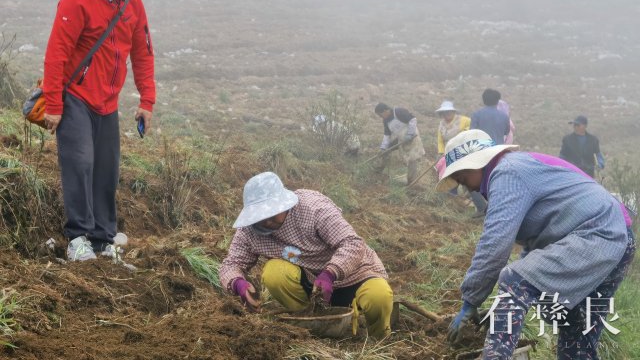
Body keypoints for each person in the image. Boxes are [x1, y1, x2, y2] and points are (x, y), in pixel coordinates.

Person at [437, 129, 634, 359]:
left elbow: (494, 247)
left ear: (476, 164)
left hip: (597, 234)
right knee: (576, 339)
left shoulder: (506, 173)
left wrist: (471, 301)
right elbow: (537, 251)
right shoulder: (518, 169)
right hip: (618, 240)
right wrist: (505, 307)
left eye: (463, 178)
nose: (467, 188)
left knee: (513, 278)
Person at [42, 0, 155, 261]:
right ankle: (78, 238)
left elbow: (143, 53)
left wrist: (146, 101)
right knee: (80, 164)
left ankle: (104, 240)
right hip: (75, 97)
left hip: (108, 102)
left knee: (107, 169)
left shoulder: (132, 3)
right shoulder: (76, 0)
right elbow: (56, 55)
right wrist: (53, 105)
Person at [219, 172, 393, 338]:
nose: (266, 220)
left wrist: (330, 273)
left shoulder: (313, 208)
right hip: (310, 282)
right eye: (260, 215)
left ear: (284, 203)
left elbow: (352, 243)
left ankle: (378, 337)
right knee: (273, 272)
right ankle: (310, 321)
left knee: (380, 296)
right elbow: (231, 264)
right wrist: (238, 284)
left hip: (354, 275)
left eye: (271, 212)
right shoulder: (249, 231)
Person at [374, 102, 425, 185]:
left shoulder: (398, 112)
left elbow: (412, 119)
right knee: (388, 152)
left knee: (413, 158)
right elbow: (387, 135)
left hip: (412, 137)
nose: (380, 117)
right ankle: (378, 172)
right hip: (401, 139)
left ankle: (412, 182)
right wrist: (383, 148)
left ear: (385, 111)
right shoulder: (385, 121)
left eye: (380, 115)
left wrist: (410, 134)